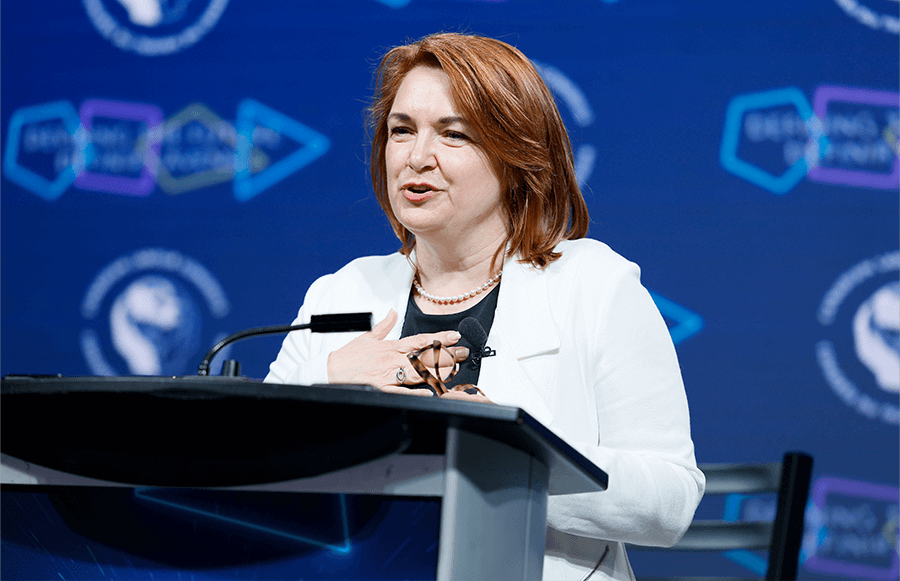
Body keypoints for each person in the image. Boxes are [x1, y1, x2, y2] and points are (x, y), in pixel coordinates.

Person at [265, 32, 704, 581]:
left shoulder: (594, 286)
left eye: (453, 135)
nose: (417, 157)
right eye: (401, 131)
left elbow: (670, 501)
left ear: (514, 153)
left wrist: (510, 452)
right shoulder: (342, 293)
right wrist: (326, 379)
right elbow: (247, 467)